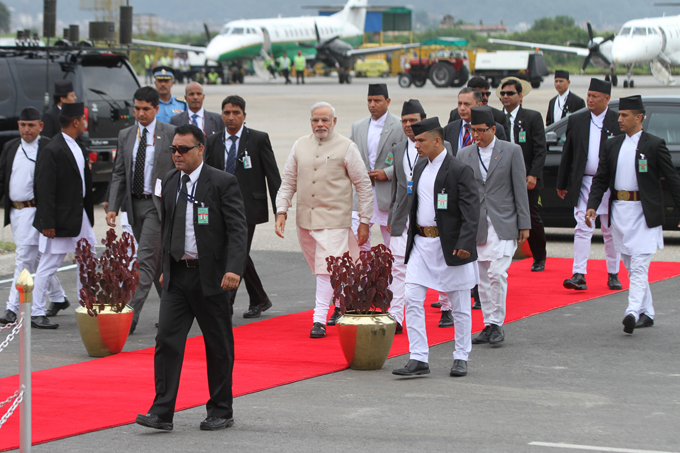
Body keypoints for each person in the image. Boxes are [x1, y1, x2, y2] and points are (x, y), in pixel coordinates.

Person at [135, 124, 248, 432]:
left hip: (212, 278)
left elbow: (238, 229)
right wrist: (164, 267)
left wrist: (234, 268)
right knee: (166, 341)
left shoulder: (222, 182)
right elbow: (167, 227)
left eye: (183, 149)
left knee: (218, 344)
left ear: (200, 149)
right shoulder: (170, 181)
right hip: (177, 277)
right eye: (173, 149)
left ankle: (221, 410)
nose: (177, 154)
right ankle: (162, 412)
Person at [275, 102, 373, 339]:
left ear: (334, 121)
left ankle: (318, 320)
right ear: (310, 121)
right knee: (329, 269)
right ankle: (342, 304)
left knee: (325, 269)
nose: (320, 124)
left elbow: (363, 185)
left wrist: (364, 221)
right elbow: (288, 180)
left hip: (334, 221)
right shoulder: (300, 145)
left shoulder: (347, 147)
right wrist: (281, 211)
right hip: (305, 221)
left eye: (325, 120)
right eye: (316, 120)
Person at [391, 117, 479, 378]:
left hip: (449, 246)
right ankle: (418, 357)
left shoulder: (459, 170)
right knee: (412, 299)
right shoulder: (420, 167)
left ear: (437, 141)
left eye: (421, 140)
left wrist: (465, 243)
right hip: (420, 243)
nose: (416, 144)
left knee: (460, 305)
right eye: (415, 140)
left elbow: (471, 211)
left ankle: (461, 355)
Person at [586, 95, 680, 334]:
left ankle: (632, 311)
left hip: (644, 214)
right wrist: (592, 205)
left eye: (624, 115)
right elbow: (601, 178)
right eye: (619, 115)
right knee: (630, 264)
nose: (619, 119)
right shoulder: (612, 144)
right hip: (620, 212)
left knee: (639, 265)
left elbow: (673, 180)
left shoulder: (654, 145)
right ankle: (647, 313)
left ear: (639, 118)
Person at [458, 106, 531, 347]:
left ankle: (497, 323)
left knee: (497, 273)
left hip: (504, 221)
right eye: (472, 130)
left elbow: (520, 189)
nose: (475, 135)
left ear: (492, 129)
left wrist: (524, 223)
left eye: (480, 130)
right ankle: (488, 324)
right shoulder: (465, 154)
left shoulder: (511, 151)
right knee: (482, 278)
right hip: (477, 224)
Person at [106, 86, 177, 334]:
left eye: (146, 109)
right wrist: (113, 206)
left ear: (156, 109)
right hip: (133, 205)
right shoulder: (126, 135)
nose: (140, 113)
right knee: (155, 263)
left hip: (157, 206)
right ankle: (174, 310)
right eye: (137, 108)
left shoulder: (170, 133)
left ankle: (128, 316)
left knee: (144, 261)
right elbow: (119, 172)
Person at [204, 95, 281, 318]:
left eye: (236, 113)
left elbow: (273, 176)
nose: (231, 117)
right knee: (239, 253)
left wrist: (280, 210)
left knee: (236, 252)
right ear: (221, 115)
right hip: (220, 208)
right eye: (227, 113)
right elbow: (206, 175)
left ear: (244, 115)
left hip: (248, 208)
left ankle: (226, 305)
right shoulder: (213, 141)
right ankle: (260, 298)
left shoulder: (258, 139)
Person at [387, 100, 456, 332]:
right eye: (404, 120)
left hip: (431, 215)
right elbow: (397, 187)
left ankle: (446, 306)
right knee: (398, 267)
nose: (408, 125)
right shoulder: (398, 149)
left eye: (413, 120)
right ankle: (396, 316)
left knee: (440, 262)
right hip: (403, 217)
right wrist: (392, 217)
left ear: (423, 120)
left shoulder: (441, 146)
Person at [0, 108, 68, 326]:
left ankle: (12, 308)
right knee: (37, 259)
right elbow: (3, 177)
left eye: (31, 125)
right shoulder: (10, 147)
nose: (26, 129)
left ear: (41, 126)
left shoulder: (48, 147)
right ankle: (58, 297)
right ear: (18, 125)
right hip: (16, 212)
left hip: (36, 211)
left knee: (24, 259)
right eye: (23, 125)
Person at [31, 102, 96, 329]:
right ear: (75, 122)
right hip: (60, 219)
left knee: (87, 259)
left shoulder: (78, 146)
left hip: (80, 216)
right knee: (49, 264)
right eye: (83, 119)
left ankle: (86, 304)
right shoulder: (53, 149)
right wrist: (47, 222)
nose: (86, 123)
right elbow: (44, 189)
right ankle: (36, 312)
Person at [557, 78, 623, 291]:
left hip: (609, 183)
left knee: (609, 230)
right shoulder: (577, 120)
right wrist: (562, 182)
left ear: (607, 99)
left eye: (595, 96)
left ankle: (613, 273)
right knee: (582, 227)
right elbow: (568, 152)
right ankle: (579, 274)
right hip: (584, 182)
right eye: (588, 95)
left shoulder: (617, 121)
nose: (590, 99)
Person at [349, 83, 405, 254]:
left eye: (377, 101)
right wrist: (359, 172)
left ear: (388, 101)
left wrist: (386, 173)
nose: (372, 104)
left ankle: (392, 272)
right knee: (357, 240)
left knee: (392, 243)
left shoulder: (399, 126)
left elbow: (407, 159)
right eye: (369, 100)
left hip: (387, 194)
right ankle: (363, 270)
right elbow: (350, 155)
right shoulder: (358, 126)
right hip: (363, 193)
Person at [499, 77, 547, 272]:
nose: (505, 96)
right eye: (503, 93)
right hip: (502, 177)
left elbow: (540, 149)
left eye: (510, 93)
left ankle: (539, 256)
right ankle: (505, 258)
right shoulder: (497, 119)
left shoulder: (532, 117)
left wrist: (533, 174)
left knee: (531, 216)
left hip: (527, 177)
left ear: (520, 96)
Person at [444, 87, 506, 156]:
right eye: (459, 103)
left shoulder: (494, 129)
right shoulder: (448, 129)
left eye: (467, 104)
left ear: (479, 105)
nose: (462, 108)